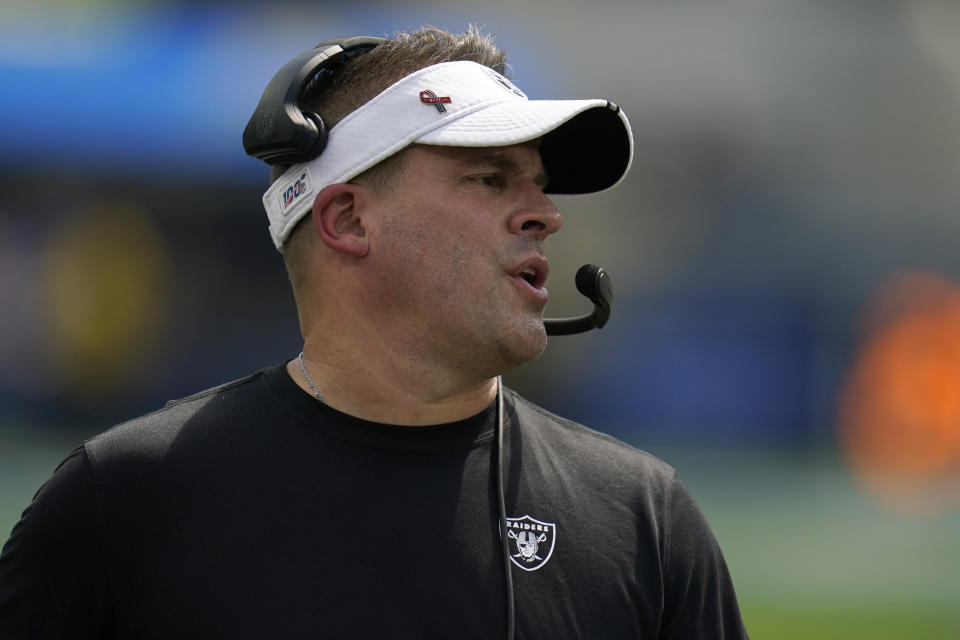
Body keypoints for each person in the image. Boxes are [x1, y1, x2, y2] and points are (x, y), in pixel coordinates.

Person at [0, 26, 748, 638]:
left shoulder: (642, 517)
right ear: (348, 219)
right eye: (490, 179)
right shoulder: (126, 498)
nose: (545, 214)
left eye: (538, 184)